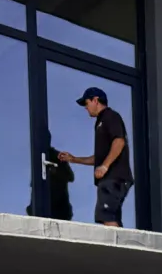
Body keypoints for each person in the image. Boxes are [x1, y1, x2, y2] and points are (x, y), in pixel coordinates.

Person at [57, 87, 132, 227]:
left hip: (114, 177)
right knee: (111, 215)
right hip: (111, 178)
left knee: (106, 214)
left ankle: (115, 248)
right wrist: (74, 159)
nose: (86, 108)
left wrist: (105, 166)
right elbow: (99, 157)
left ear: (95, 100)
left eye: (86, 103)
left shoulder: (110, 116)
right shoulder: (100, 122)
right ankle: (119, 246)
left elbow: (119, 141)